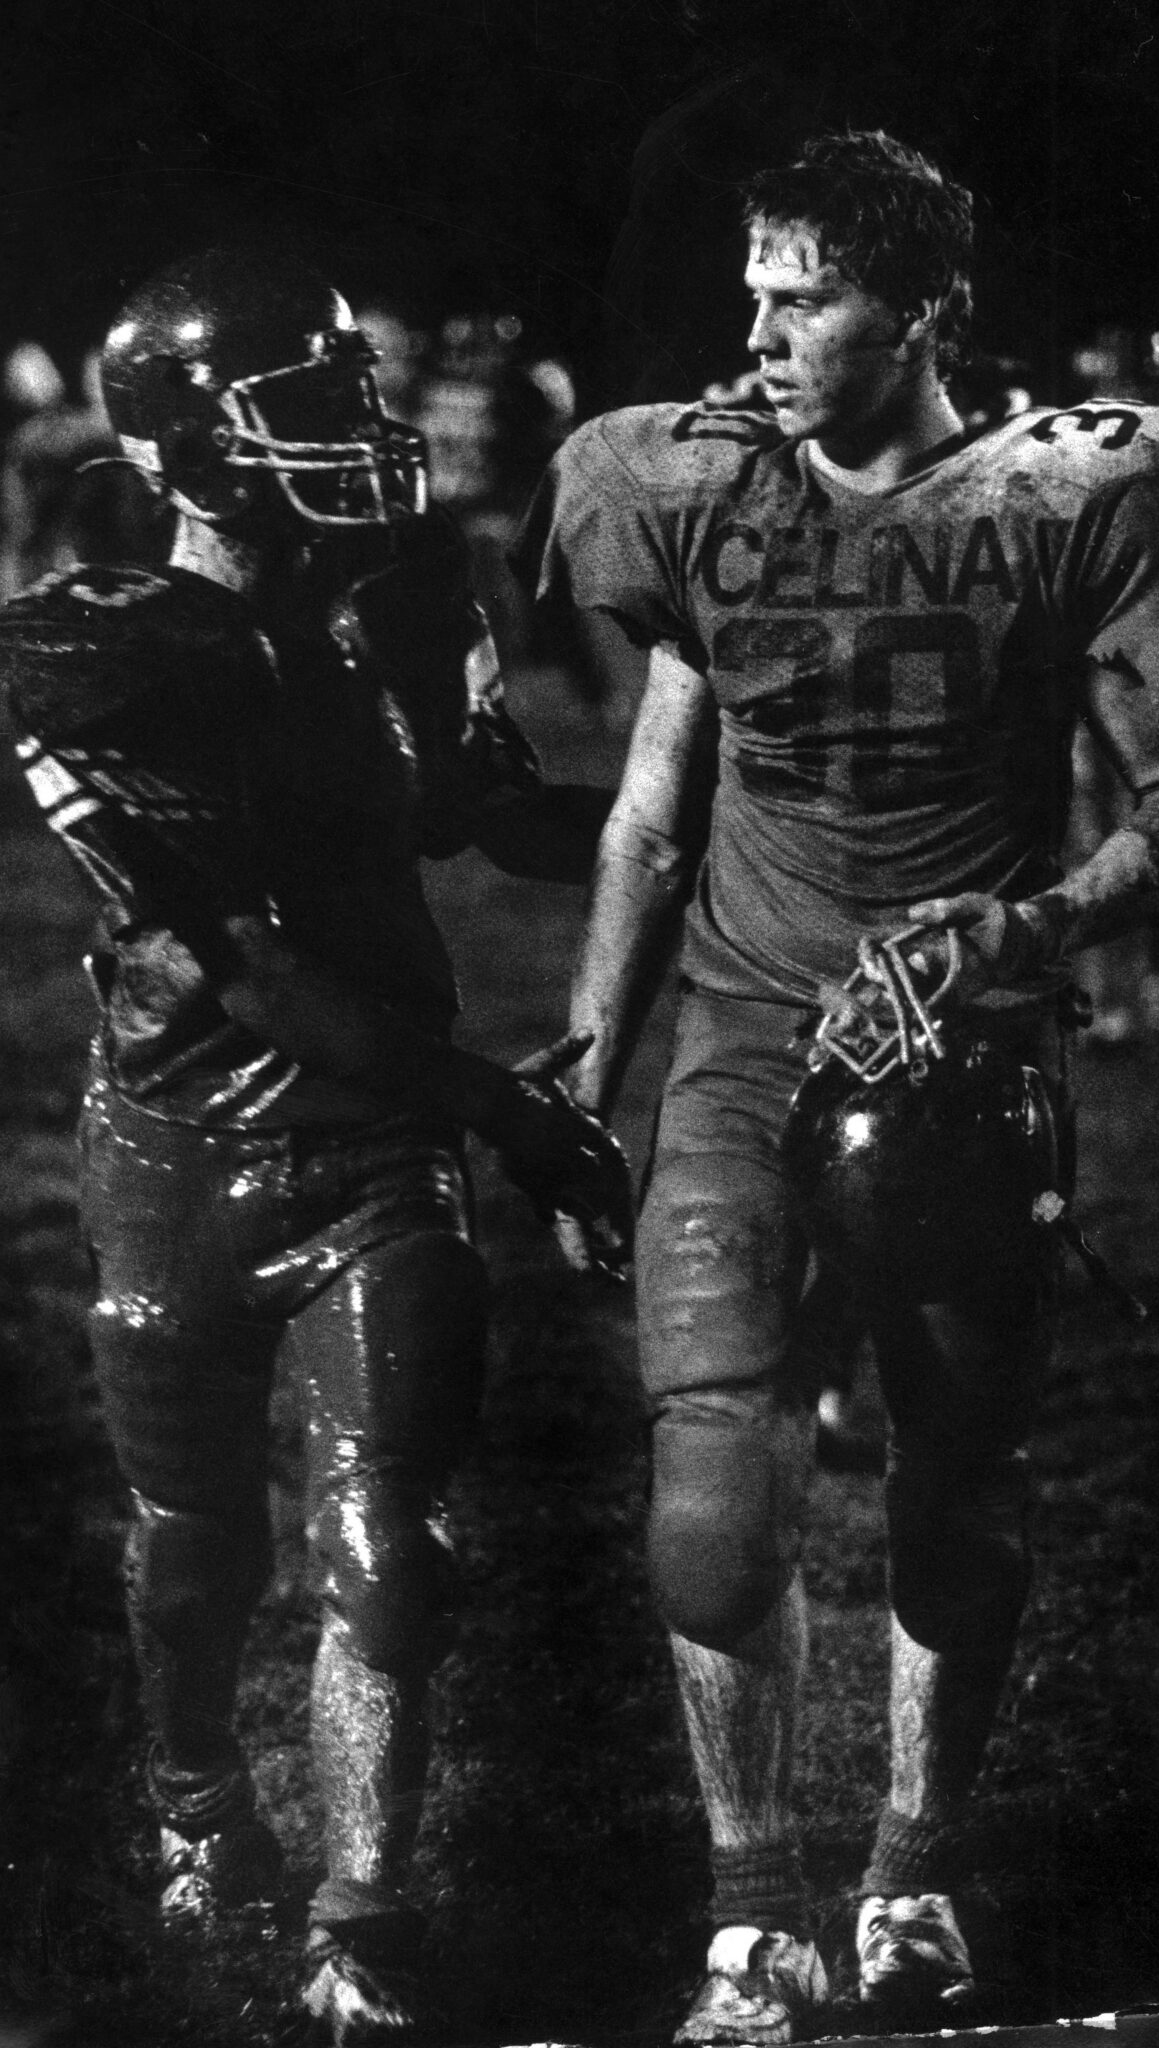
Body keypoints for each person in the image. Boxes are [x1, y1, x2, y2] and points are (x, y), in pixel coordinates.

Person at [512, 129, 1159, 2040]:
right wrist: (588, 1065)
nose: (761, 333)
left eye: (810, 297)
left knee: (961, 1480)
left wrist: (1033, 927)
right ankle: (753, 1911)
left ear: (926, 311)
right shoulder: (697, 489)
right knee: (709, 1496)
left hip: (960, 1053)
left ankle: (911, 1875)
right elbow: (652, 815)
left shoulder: (1070, 497)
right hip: (744, 1035)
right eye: (753, 292)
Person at [0, 246, 631, 2046]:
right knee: (196, 1537)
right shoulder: (94, 648)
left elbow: (490, 813)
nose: (360, 430)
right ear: (186, 442)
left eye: (354, 392)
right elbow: (257, 971)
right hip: (178, 1147)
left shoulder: (407, 591)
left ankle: (364, 1910)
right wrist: (510, 1111)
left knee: (389, 1542)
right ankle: (197, 1802)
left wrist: (728, 798)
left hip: (377, 1151)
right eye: (308, 404)